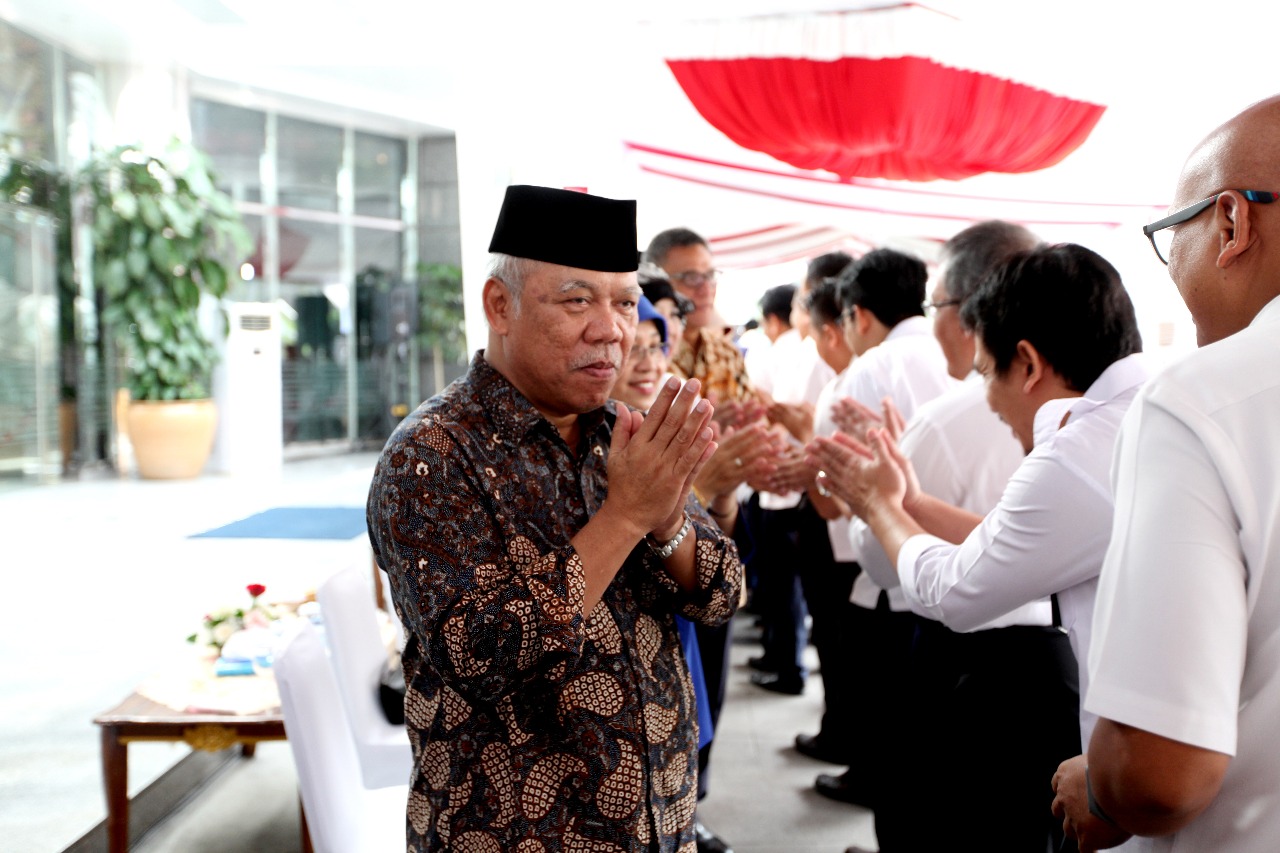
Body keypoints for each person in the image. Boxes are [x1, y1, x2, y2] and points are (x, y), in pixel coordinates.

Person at [366, 185, 742, 852]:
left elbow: (721, 592)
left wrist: (667, 522)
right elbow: (478, 654)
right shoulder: (433, 455)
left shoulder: (621, 432)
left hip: (663, 824)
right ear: (498, 305)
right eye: (577, 301)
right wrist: (625, 515)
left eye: (625, 302)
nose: (612, 329)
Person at [810, 244, 1148, 785]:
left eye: (986, 373)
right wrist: (913, 503)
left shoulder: (1075, 454)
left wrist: (880, 507)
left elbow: (953, 591)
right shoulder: (1140, 409)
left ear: (1029, 364)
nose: (986, 399)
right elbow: (1008, 544)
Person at [1052, 95, 1280, 852]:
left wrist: (1100, 787)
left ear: (1230, 224)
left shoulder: (1202, 401)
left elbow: (1158, 775)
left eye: (1165, 235)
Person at [834, 222, 1079, 851]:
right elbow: (1013, 543)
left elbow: (898, 571)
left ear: (974, 308)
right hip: (1059, 663)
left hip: (966, 665)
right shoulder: (1098, 410)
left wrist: (876, 504)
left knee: (932, 822)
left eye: (934, 304)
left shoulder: (952, 419)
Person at [802, 247, 954, 812]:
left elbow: (833, 493)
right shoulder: (961, 356)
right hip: (967, 557)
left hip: (886, 570)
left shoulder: (866, 371)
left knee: (886, 708)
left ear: (858, 316)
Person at [645, 228, 753, 406]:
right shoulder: (642, 359)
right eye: (691, 278)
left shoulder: (728, 355)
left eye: (710, 276)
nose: (706, 289)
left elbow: (754, 421)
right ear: (655, 280)